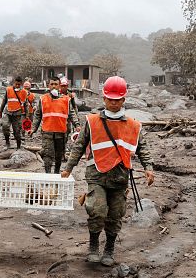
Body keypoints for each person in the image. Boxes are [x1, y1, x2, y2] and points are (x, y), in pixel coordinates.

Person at [61, 76, 155, 267]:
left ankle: (109, 249)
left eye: (117, 99)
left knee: (115, 215)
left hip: (120, 178)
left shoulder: (134, 125)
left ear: (123, 100)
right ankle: (94, 246)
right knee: (97, 210)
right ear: (104, 99)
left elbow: (142, 148)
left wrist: (149, 168)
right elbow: (79, 146)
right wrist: (68, 168)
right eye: (110, 99)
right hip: (96, 175)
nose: (113, 102)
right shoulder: (92, 121)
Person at [28, 77, 80, 174]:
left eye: (56, 84)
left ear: (59, 86)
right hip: (47, 132)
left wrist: (76, 124)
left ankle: (56, 173)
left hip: (61, 133)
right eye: (52, 84)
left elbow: (71, 113)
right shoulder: (43, 99)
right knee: (48, 155)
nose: (54, 86)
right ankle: (48, 174)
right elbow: (38, 115)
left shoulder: (66, 99)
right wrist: (33, 129)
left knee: (59, 155)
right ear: (48, 86)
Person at [0, 76, 28, 149]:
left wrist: (27, 116)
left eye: (19, 84)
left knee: (17, 131)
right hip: (8, 112)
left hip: (17, 114)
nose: (17, 86)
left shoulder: (24, 92)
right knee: (5, 126)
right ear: (14, 83)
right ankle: (7, 142)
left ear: (21, 84)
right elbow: (4, 101)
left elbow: (25, 104)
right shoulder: (8, 90)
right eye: (16, 84)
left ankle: (18, 146)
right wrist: (0, 112)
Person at [59, 77, 78, 160]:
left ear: (67, 86)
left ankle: (62, 154)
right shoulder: (57, 94)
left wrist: (76, 120)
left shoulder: (70, 95)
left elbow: (74, 107)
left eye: (65, 86)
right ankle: (59, 154)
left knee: (66, 136)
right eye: (62, 86)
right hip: (59, 119)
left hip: (67, 119)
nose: (63, 87)